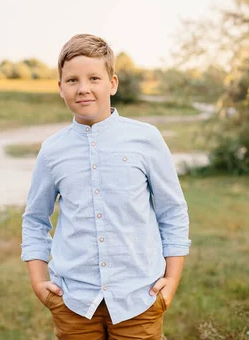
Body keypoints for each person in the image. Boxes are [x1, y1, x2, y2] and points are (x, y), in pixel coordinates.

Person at [21, 34, 191, 339]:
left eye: (94, 78)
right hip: (73, 302)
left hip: (139, 298)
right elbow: (34, 220)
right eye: (72, 80)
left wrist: (172, 279)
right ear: (60, 88)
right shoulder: (52, 151)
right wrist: (38, 282)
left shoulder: (146, 139)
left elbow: (173, 212)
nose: (83, 88)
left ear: (112, 83)